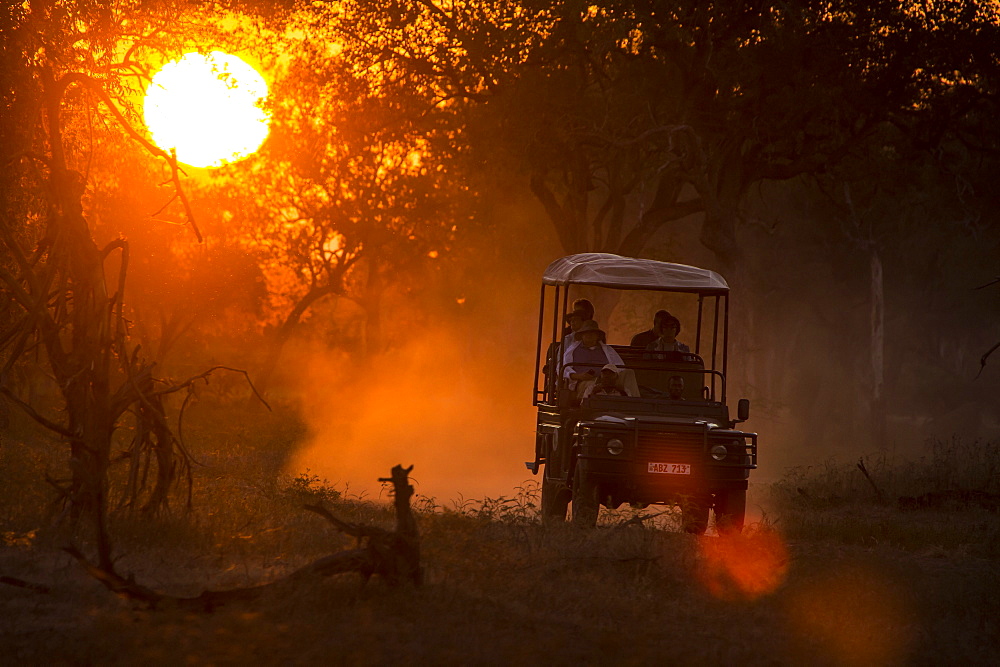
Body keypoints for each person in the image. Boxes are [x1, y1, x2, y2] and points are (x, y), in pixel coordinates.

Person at [562, 320, 624, 390]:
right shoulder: (572, 351)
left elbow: (620, 367)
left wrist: (611, 375)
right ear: (582, 335)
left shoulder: (608, 350)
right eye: (586, 333)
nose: (590, 335)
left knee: (628, 373)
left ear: (597, 336)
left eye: (593, 333)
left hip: (610, 381)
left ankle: (632, 399)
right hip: (584, 382)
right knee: (592, 386)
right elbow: (562, 368)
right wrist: (578, 376)